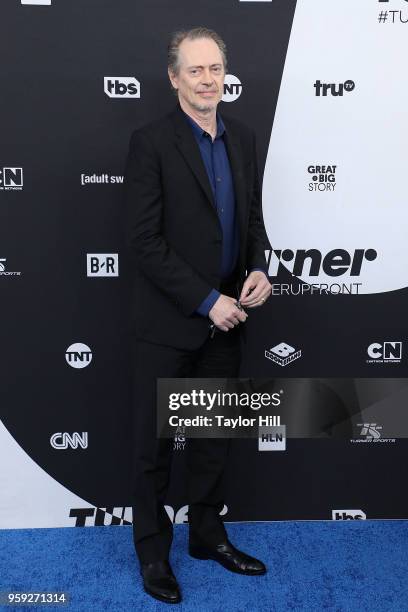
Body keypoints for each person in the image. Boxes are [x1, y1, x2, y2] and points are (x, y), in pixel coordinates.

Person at [124, 26, 272, 604]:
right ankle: (154, 553)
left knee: (213, 438)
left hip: (231, 318)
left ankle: (207, 535)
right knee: (153, 447)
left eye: (215, 69)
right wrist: (209, 300)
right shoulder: (151, 142)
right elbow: (143, 241)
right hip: (169, 324)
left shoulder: (244, 139)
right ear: (174, 78)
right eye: (196, 70)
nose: (208, 79)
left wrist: (258, 269)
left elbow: (253, 221)